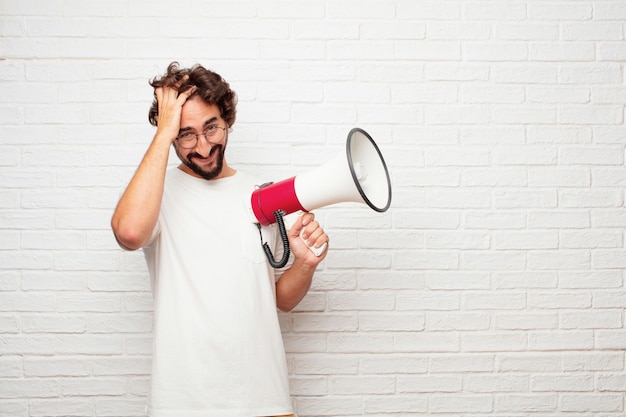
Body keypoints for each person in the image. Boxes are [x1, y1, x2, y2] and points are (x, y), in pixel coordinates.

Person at [111, 62, 329, 417]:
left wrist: (304, 263)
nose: (203, 145)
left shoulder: (260, 196)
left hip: (264, 400)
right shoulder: (156, 193)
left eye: (211, 127)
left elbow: (279, 300)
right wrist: (163, 130)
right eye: (185, 134)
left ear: (227, 120)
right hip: (182, 404)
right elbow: (130, 233)